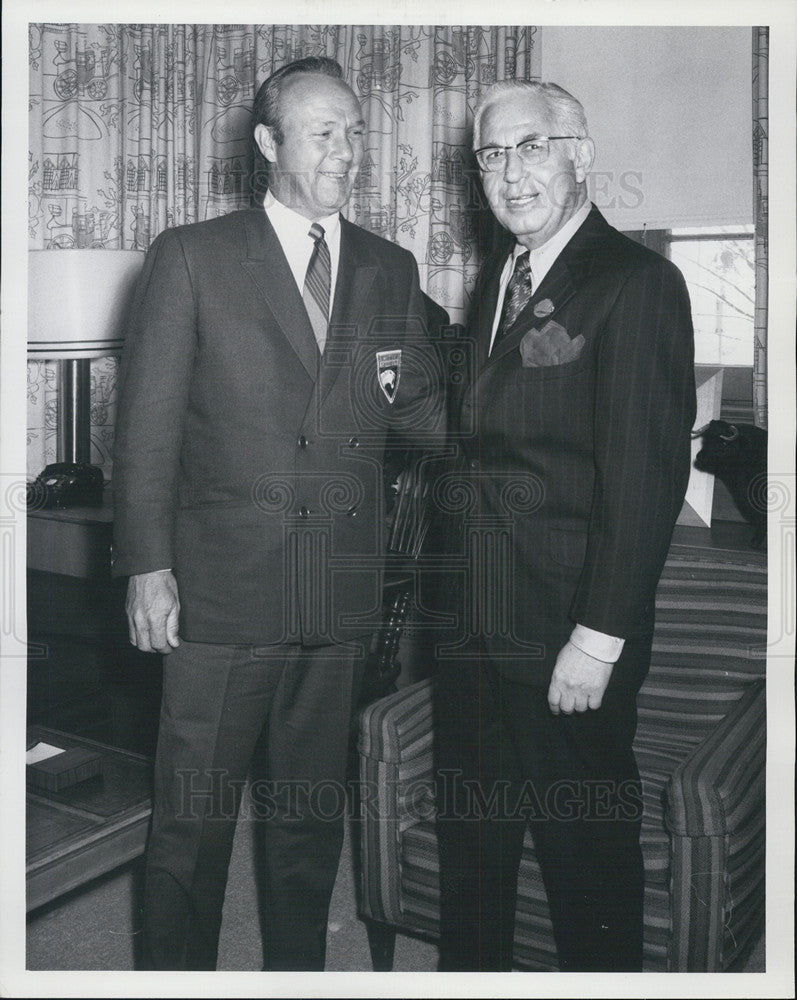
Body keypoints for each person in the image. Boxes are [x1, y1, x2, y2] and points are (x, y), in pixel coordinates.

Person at [112, 56, 443, 971]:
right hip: (218, 599)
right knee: (192, 826)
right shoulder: (192, 254)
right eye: (324, 131)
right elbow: (145, 429)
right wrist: (147, 566)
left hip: (334, 597)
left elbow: (420, 418)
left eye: (356, 130)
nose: (348, 149)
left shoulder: (388, 264)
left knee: (308, 822)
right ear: (268, 144)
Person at [433, 79, 696, 972]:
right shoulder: (502, 276)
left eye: (532, 146)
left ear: (580, 154)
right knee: (475, 857)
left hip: (564, 637)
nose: (511, 174)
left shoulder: (636, 284)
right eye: (492, 154)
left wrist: (598, 637)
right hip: (474, 627)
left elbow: (644, 484)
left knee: (585, 871)